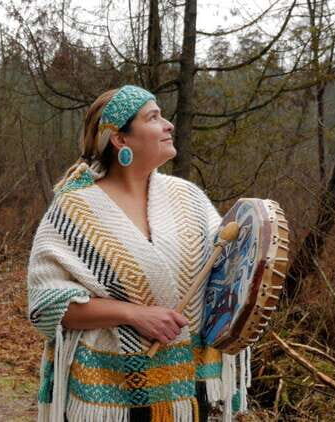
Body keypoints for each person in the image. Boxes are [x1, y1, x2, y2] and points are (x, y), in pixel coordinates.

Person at [26, 85, 250, 422]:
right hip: (110, 398)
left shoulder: (188, 198)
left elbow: (228, 274)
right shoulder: (74, 210)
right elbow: (46, 304)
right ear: (120, 140)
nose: (168, 125)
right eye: (153, 117)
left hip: (194, 393)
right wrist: (133, 314)